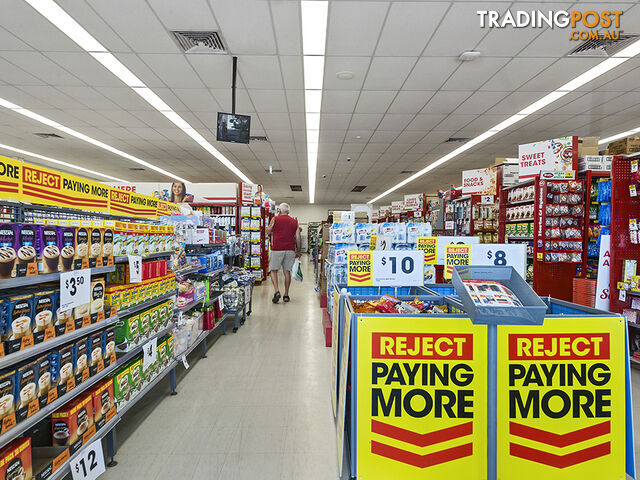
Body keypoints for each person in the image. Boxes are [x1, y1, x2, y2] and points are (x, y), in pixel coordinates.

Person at [267, 203, 301, 303]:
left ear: (279, 210)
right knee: (287, 272)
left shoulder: (275, 219)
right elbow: (298, 238)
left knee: (273, 270)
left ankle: (277, 291)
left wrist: (270, 227)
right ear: (288, 211)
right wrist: (298, 251)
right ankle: (286, 295)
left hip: (277, 248)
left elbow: (268, 232)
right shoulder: (295, 221)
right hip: (290, 249)